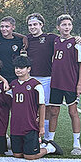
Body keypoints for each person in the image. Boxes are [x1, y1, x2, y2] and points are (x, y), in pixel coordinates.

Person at [47, 14, 81, 155]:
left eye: (69, 25)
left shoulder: (76, 43)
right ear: (58, 27)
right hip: (56, 82)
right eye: (64, 25)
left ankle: (77, 143)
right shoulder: (55, 40)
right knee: (53, 112)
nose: (67, 27)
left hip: (70, 83)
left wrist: (80, 83)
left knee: (73, 112)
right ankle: (50, 141)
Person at [9, 56, 57, 160]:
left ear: (28, 69)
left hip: (30, 125)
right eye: (17, 67)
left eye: (22, 68)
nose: (18, 70)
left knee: (30, 156)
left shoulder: (36, 85)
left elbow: (42, 106)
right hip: (16, 125)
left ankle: (49, 148)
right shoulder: (13, 84)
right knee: (17, 155)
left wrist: (41, 127)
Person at [22, 13, 57, 141]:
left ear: (41, 25)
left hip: (46, 78)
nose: (32, 27)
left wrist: (77, 39)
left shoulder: (50, 38)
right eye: (30, 25)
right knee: (31, 108)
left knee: (46, 108)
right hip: (30, 78)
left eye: (35, 24)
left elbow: (65, 39)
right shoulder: (27, 39)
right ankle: (32, 135)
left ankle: (46, 137)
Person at [0, 16, 23, 83]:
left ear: (13, 27)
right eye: (2, 26)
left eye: (7, 26)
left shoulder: (19, 41)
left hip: (15, 75)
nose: (4, 29)